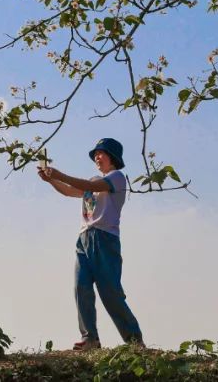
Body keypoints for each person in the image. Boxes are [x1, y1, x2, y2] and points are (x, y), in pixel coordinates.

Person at [38, 137, 143, 350]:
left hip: (104, 238)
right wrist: (51, 181)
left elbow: (88, 185)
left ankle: (134, 340)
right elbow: (70, 191)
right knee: (81, 287)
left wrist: (60, 174)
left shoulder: (117, 177)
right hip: (84, 237)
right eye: (95, 153)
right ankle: (90, 339)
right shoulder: (94, 181)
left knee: (109, 292)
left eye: (101, 153)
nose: (97, 156)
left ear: (112, 157)